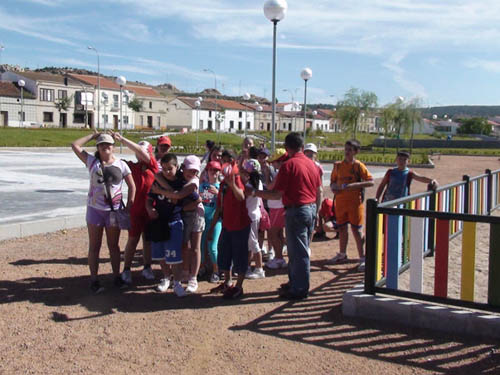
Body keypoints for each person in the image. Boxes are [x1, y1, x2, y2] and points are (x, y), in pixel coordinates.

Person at [255, 133, 322, 300]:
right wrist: (317, 211)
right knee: (296, 250)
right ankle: (295, 282)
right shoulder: (311, 164)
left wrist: (255, 193)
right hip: (309, 208)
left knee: (298, 252)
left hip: (296, 209)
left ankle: (299, 288)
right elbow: (318, 189)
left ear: (287, 147)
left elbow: (277, 194)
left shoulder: (289, 165)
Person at [71, 132, 136, 293]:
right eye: (101, 144)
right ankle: (94, 279)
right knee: (95, 245)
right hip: (95, 210)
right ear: (98, 147)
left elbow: (132, 186)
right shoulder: (92, 162)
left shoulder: (121, 164)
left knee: (113, 245)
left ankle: (116, 276)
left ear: (113, 147)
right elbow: (75, 145)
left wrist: (129, 205)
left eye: (108, 144)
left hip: (113, 211)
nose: (105, 147)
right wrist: (93, 135)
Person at [111, 133, 158, 286]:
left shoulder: (153, 166)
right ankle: (126, 269)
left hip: (150, 210)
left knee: (148, 240)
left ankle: (147, 266)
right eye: (138, 152)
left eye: (143, 152)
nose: (140, 155)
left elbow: (143, 153)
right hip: (136, 210)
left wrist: (123, 139)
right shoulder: (132, 166)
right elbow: (113, 162)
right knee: (132, 240)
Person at [153, 155, 204, 293]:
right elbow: (158, 175)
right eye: (190, 170)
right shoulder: (179, 178)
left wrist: (160, 191)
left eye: (195, 171)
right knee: (183, 247)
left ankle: (193, 278)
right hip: (182, 215)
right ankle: (184, 273)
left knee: (194, 247)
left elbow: (180, 196)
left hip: (195, 214)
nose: (192, 173)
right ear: (182, 168)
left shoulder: (193, 182)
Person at [207, 161, 251, 299]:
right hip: (227, 225)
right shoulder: (223, 185)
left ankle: (239, 287)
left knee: (240, 256)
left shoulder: (238, 180)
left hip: (240, 226)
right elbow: (219, 208)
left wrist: (232, 183)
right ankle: (227, 282)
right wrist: (212, 227)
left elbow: (241, 196)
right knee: (224, 255)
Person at [328, 139, 374, 271]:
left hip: (355, 203)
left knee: (356, 230)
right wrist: (333, 187)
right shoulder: (338, 166)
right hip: (341, 202)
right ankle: (342, 254)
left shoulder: (358, 166)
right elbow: (332, 181)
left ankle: (362, 257)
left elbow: (370, 182)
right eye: (346, 149)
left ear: (356, 152)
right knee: (342, 228)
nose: (347, 152)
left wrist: (355, 185)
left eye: (350, 150)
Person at [145, 154, 187, 297]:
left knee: (174, 255)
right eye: (164, 169)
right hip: (159, 221)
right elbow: (149, 199)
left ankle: (177, 282)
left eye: (170, 168)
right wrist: (150, 209)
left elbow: (175, 198)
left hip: (174, 221)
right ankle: (166, 277)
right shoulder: (157, 181)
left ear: (176, 167)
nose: (167, 172)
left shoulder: (181, 183)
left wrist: (161, 187)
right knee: (160, 254)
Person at [263, 148, 288, 270]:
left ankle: (279, 258)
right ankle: (279, 257)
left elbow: (269, 186)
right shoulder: (282, 172)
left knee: (273, 233)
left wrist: (267, 175)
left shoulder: (281, 173)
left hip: (278, 206)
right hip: (278, 206)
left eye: (274, 162)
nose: (272, 164)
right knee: (278, 233)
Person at [241, 159, 266, 280]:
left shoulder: (249, 185)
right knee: (250, 243)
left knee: (253, 242)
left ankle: (259, 268)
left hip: (250, 215)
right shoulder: (258, 183)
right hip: (254, 214)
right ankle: (248, 266)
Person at [200, 161, 223, 283]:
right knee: (201, 245)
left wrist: (218, 193)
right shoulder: (203, 186)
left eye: (216, 170)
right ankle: (202, 266)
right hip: (203, 220)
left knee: (212, 247)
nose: (213, 172)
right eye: (211, 170)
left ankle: (216, 270)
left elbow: (227, 204)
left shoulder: (221, 186)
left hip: (216, 220)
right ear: (207, 172)